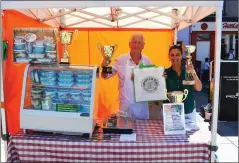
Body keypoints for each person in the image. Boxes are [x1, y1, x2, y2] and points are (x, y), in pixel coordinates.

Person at [101, 33, 152, 119]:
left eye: (139, 43)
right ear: (129, 44)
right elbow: (106, 76)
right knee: (125, 130)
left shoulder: (147, 61)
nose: (136, 45)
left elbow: (151, 82)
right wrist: (104, 67)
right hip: (125, 107)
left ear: (143, 45)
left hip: (142, 107)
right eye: (134, 42)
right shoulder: (120, 60)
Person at [164, 45, 202, 126]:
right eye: (172, 55)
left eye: (177, 54)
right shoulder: (165, 73)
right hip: (170, 113)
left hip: (188, 111)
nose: (175, 57)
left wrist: (193, 72)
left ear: (182, 56)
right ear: (169, 56)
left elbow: (199, 88)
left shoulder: (189, 71)